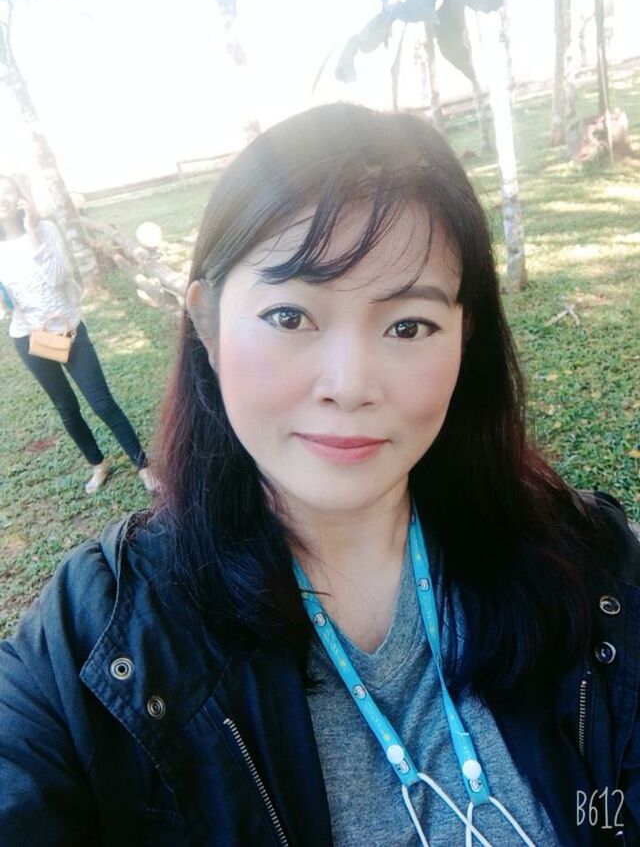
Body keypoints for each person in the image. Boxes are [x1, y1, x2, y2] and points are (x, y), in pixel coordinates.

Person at [0, 104, 638, 846]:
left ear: (466, 335)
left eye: (408, 325)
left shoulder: (590, 564)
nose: (349, 384)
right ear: (207, 325)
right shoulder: (97, 643)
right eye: (289, 316)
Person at [0, 175, 157, 494]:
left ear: (20, 197)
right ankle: (98, 464)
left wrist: (32, 232)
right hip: (29, 338)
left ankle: (144, 466)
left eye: (7, 191)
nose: (2, 198)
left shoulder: (46, 230)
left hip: (69, 331)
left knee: (102, 403)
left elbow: (58, 278)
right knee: (67, 409)